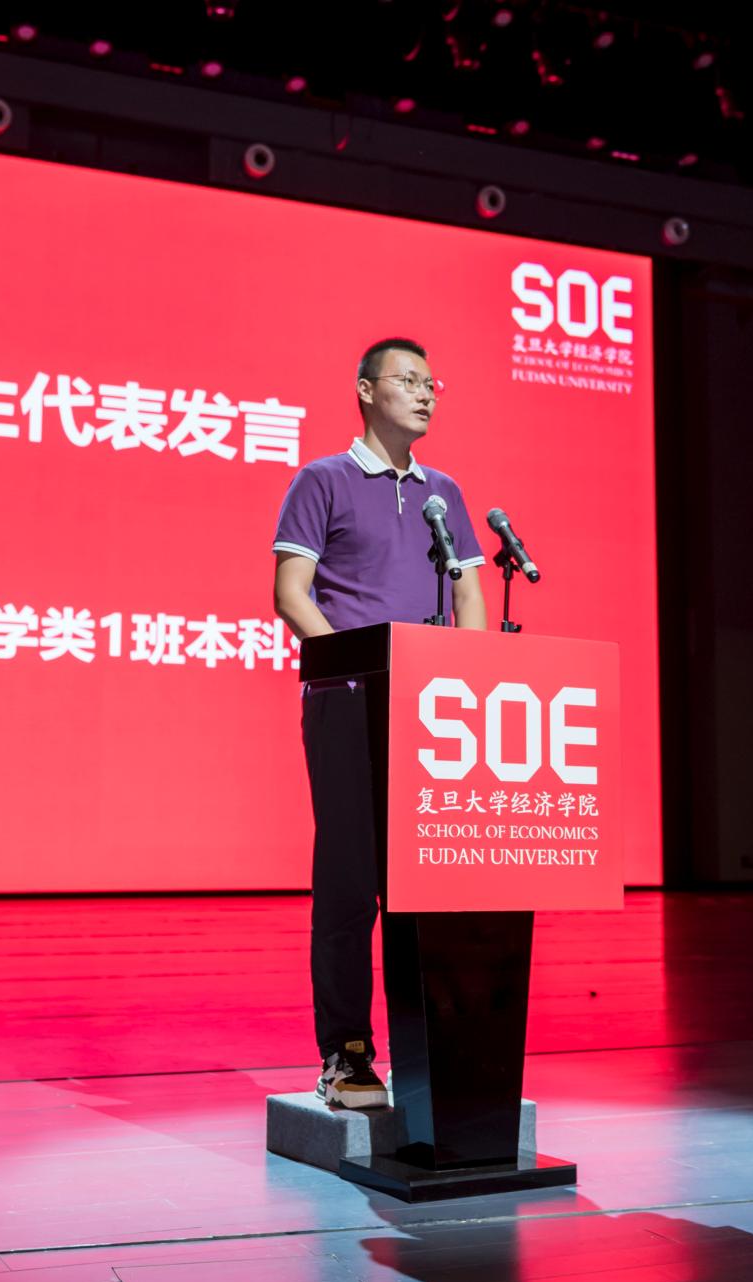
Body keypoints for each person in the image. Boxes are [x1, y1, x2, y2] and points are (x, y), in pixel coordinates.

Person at [270, 337, 487, 1109]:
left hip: (431, 714)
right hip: (348, 700)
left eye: (432, 383)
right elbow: (291, 592)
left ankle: (431, 1051)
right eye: (408, 380)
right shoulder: (322, 479)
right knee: (350, 881)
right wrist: (355, 663)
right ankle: (346, 1051)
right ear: (366, 390)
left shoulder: (444, 494)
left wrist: (465, 680)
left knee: (429, 886)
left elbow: (468, 594)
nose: (425, 394)